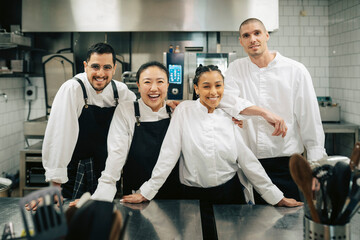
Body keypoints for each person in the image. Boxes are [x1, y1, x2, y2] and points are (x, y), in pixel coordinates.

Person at [121, 65, 302, 239]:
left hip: (229, 195)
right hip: (191, 197)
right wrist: (146, 192)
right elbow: (168, 155)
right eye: (206, 86)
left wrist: (277, 197)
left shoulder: (229, 116)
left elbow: (248, 161)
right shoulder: (184, 111)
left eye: (218, 85)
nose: (213, 92)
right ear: (196, 89)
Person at [219, 18, 327, 203]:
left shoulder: (295, 70)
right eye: (246, 35)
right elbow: (226, 100)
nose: (252, 39)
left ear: (266, 35)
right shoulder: (236, 68)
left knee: (287, 227)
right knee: (250, 227)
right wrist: (263, 112)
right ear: (241, 41)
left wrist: (316, 168)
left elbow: (310, 119)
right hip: (247, 164)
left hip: (285, 165)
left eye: (257, 33)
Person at [42, 42, 137, 199]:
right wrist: (55, 184)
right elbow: (59, 136)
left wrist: (165, 105)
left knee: (102, 218)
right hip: (75, 171)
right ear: (85, 66)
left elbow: (140, 111)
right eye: (95, 66)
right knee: (72, 216)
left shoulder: (120, 92)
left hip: (106, 171)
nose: (101, 73)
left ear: (114, 68)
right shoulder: (73, 89)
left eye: (107, 67)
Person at [83, 61, 181, 203]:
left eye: (160, 82)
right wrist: (100, 198)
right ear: (138, 86)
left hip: (175, 193)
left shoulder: (176, 112)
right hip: (137, 192)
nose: (154, 88)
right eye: (147, 82)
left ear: (167, 85)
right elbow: (116, 154)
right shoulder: (126, 111)